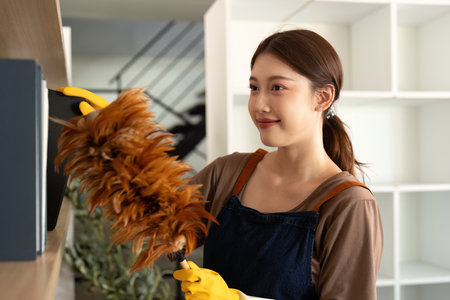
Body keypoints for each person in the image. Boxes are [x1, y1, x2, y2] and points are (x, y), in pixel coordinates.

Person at [172, 29, 384, 300]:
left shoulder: (349, 205)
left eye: (277, 88)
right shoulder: (226, 172)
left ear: (322, 98)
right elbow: (157, 225)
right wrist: (117, 143)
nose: (259, 104)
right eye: (254, 88)